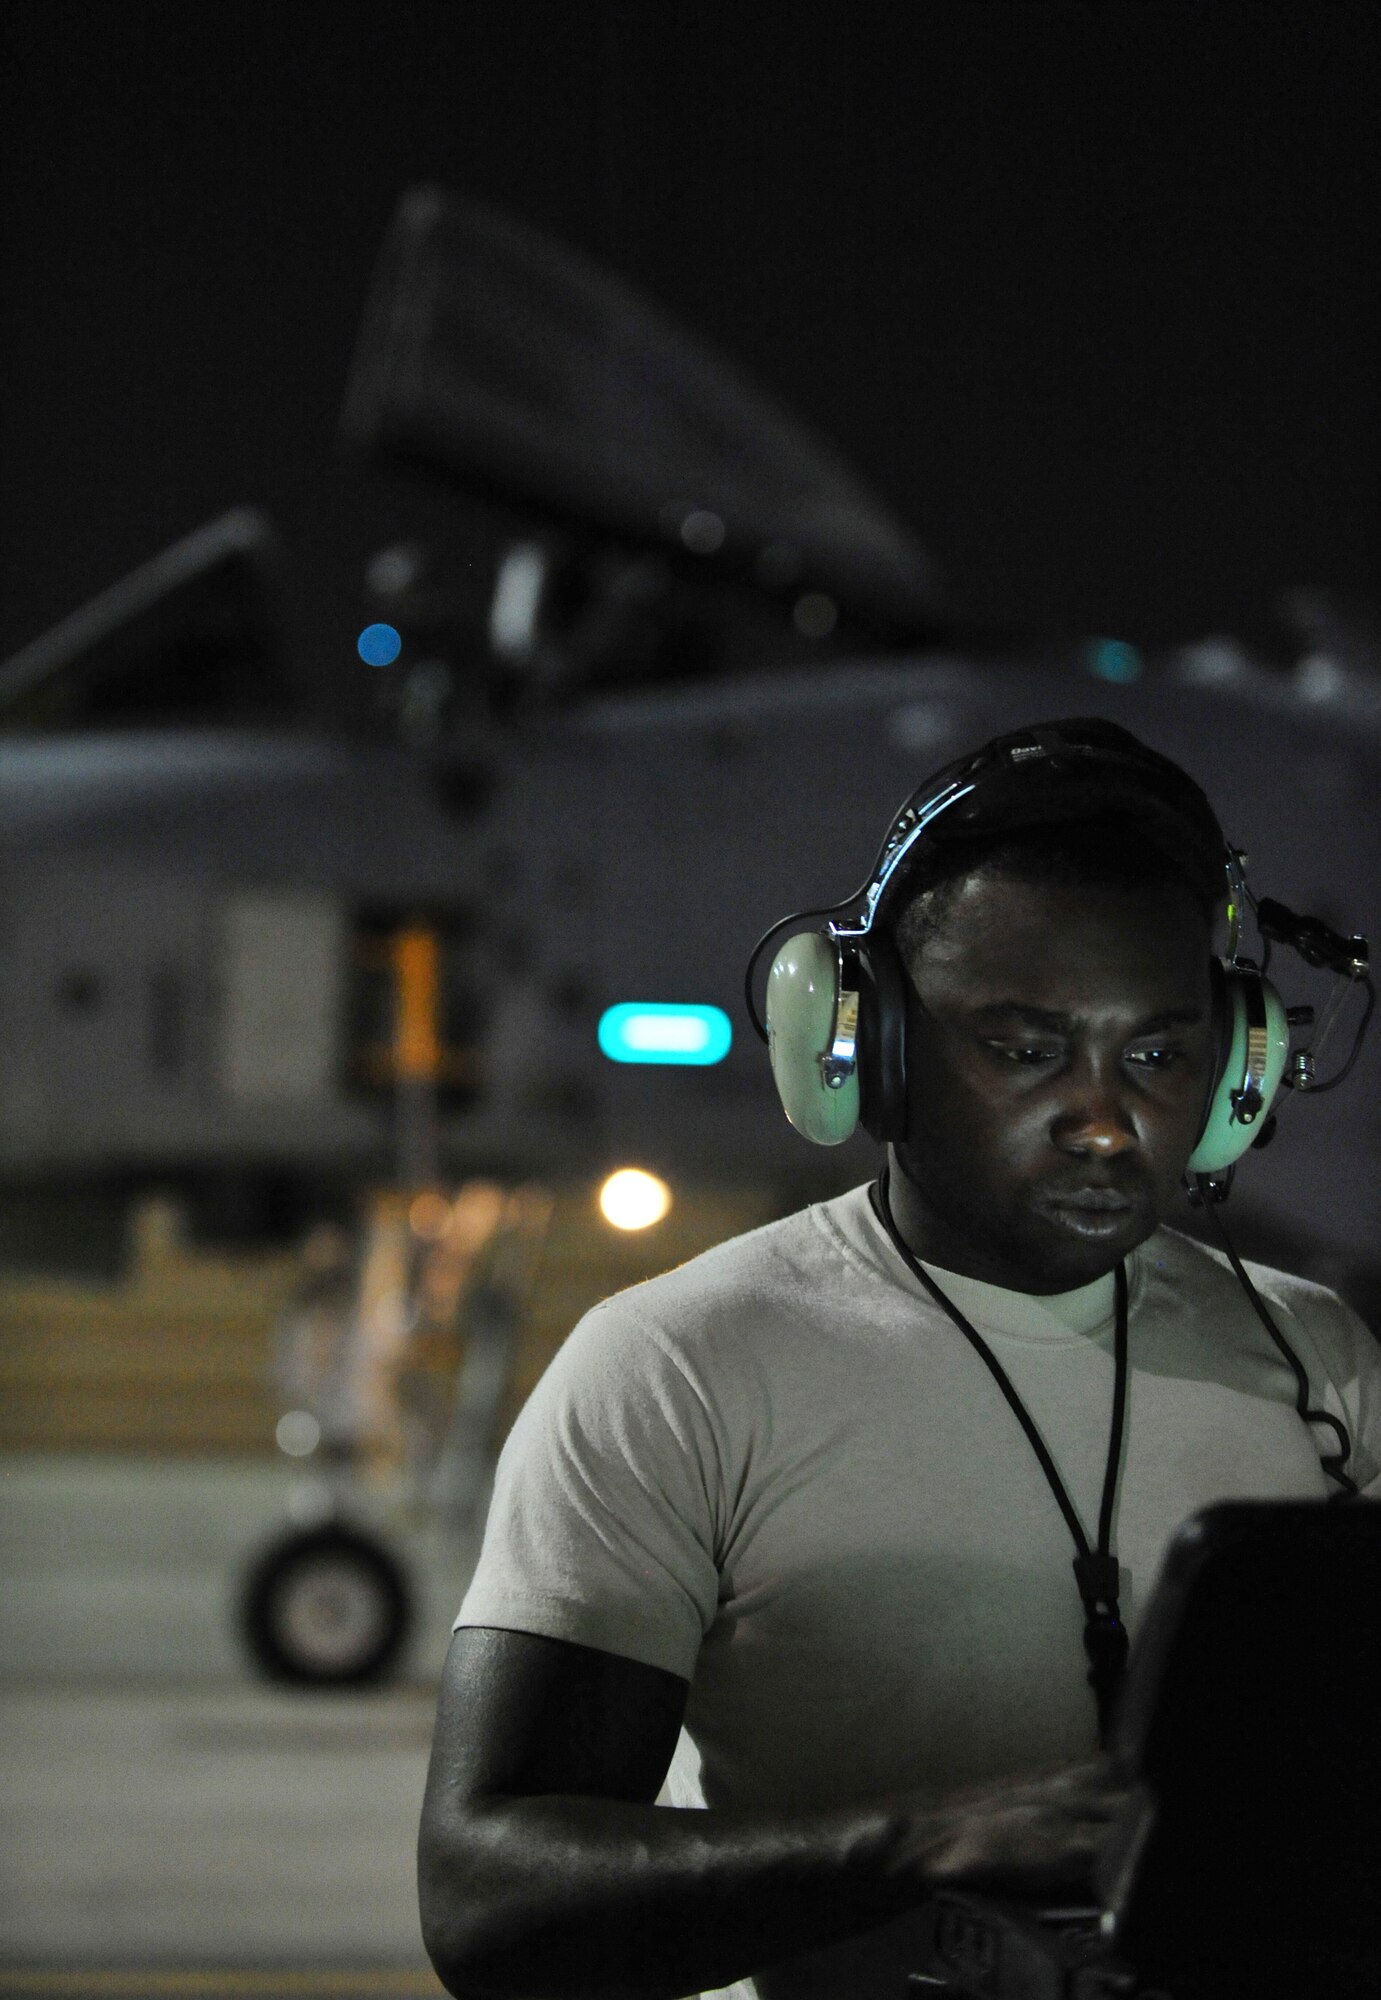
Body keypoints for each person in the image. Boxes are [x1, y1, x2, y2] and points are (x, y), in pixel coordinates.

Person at [417, 718, 1381, 2000]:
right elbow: (491, 1896)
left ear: (1235, 1069)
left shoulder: (1315, 1356)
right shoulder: (682, 1366)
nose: (1104, 1120)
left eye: (1156, 1054)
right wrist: (920, 1841)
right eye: (1026, 1049)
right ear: (864, 1051)